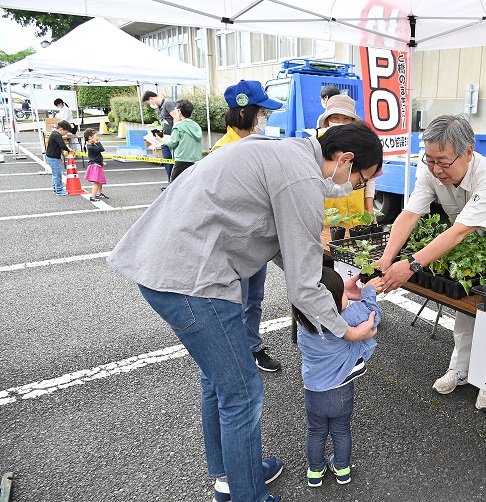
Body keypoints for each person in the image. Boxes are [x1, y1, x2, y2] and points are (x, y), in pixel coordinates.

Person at [107, 121, 383, 502]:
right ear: (345, 159)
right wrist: (345, 330)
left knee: (219, 381)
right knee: (242, 392)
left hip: (166, 267)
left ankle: (232, 474)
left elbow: (291, 251)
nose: (353, 187)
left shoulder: (283, 152)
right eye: (359, 179)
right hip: (193, 281)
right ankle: (247, 493)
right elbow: (302, 287)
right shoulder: (301, 180)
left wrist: (335, 287)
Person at [376, 114, 486, 413]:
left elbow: (459, 230)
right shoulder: (430, 171)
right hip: (474, 246)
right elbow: (410, 214)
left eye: (444, 162)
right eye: (430, 160)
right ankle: (460, 368)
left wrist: (410, 264)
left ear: (469, 152)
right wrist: (386, 258)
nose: (436, 170)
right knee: (465, 306)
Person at [211, 80, 285, 372]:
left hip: (257, 242)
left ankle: (252, 347)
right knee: (234, 303)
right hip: (232, 245)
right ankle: (235, 356)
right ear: (243, 113)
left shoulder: (261, 146)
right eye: (262, 112)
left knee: (254, 299)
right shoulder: (222, 151)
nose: (265, 119)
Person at [292, 267, 383, 488]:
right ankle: (342, 469)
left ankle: (315, 471)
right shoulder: (346, 318)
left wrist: (345, 294)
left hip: (313, 391)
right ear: (331, 305)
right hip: (341, 391)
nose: (346, 297)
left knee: (315, 432)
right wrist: (368, 292)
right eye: (342, 293)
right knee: (341, 430)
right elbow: (374, 316)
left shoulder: (304, 322)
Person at [318, 94, 377, 218]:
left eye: (346, 119)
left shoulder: (362, 145)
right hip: (329, 214)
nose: (340, 123)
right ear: (328, 119)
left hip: (356, 211)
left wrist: (369, 207)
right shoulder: (317, 142)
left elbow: (370, 177)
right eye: (336, 118)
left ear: (352, 121)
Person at [163, 99, 203, 182]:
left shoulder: (178, 126)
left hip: (182, 160)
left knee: (174, 185)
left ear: (179, 111)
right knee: (191, 184)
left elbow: (172, 143)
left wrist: (162, 140)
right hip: (196, 160)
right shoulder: (196, 126)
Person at [142, 90, 176, 182]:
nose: (150, 105)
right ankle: (170, 183)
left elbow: (176, 118)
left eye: (148, 103)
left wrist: (175, 134)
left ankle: (175, 183)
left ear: (151, 98)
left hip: (172, 138)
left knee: (175, 163)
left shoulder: (168, 103)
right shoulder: (160, 108)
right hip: (164, 138)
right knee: (167, 162)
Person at [45, 120, 72, 195]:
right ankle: (59, 189)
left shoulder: (54, 134)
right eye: (65, 132)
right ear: (61, 129)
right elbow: (62, 145)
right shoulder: (56, 135)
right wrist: (68, 149)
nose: (65, 134)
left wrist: (60, 156)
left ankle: (56, 188)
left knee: (55, 173)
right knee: (57, 174)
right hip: (53, 157)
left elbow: (57, 147)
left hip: (53, 156)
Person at [83, 128, 108, 201]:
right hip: (95, 166)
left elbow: (96, 155)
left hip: (98, 164)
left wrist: (101, 161)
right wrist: (97, 142)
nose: (98, 137)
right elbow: (101, 149)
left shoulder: (92, 145)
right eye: (96, 136)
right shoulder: (91, 147)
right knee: (97, 182)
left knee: (100, 181)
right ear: (90, 137)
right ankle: (93, 196)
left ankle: (99, 193)